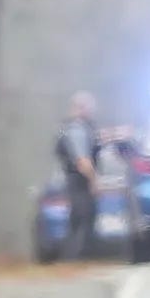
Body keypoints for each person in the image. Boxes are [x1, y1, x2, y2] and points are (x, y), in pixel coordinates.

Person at [56, 90, 101, 260]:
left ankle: (73, 257)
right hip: (80, 181)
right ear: (82, 108)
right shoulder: (78, 130)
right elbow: (83, 161)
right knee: (83, 219)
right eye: (90, 108)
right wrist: (94, 181)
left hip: (73, 181)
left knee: (77, 219)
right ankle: (76, 258)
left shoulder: (69, 128)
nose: (92, 111)